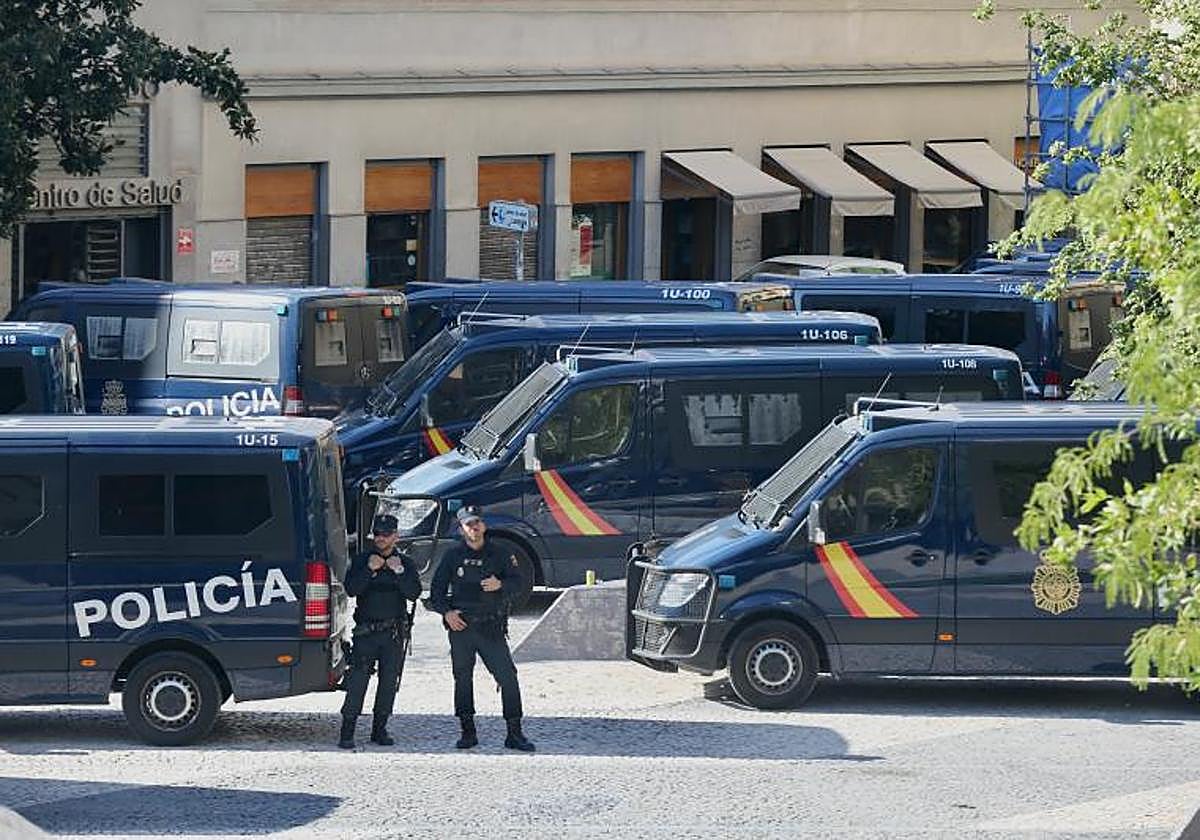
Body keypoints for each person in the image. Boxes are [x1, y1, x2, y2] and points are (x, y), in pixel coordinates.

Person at [428, 505, 535, 752]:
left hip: (490, 626)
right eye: (469, 524)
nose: (474, 527)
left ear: (483, 525)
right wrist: (447, 613)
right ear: (461, 529)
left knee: (508, 677)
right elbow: (436, 592)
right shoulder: (452, 556)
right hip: (462, 627)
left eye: (477, 522)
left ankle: (514, 733)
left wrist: (501, 585)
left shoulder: (500, 553)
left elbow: (519, 583)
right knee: (462, 679)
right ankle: (467, 732)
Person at [338, 514, 421, 749]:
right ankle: (347, 731)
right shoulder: (362, 560)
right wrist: (369, 570)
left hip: (393, 633)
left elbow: (414, 593)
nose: (381, 538)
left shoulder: (405, 563)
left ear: (396, 536)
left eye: (386, 534)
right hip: (366, 633)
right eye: (377, 534)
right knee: (357, 682)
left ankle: (379, 729)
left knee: (388, 682)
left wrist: (399, 571)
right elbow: (351, 589)